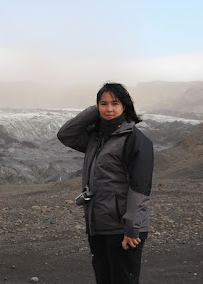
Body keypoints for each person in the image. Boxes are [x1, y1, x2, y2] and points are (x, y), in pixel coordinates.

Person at [57, 82, 154, 284]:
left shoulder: (135, 140)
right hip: (99, 224)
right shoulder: (96, 138)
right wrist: (95, 110)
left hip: (122, 228)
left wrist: (131, 229)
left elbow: (140, 187)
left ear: (124, 106)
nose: (109, 109)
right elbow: (65, 135)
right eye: (104, 103)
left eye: (115, 103)